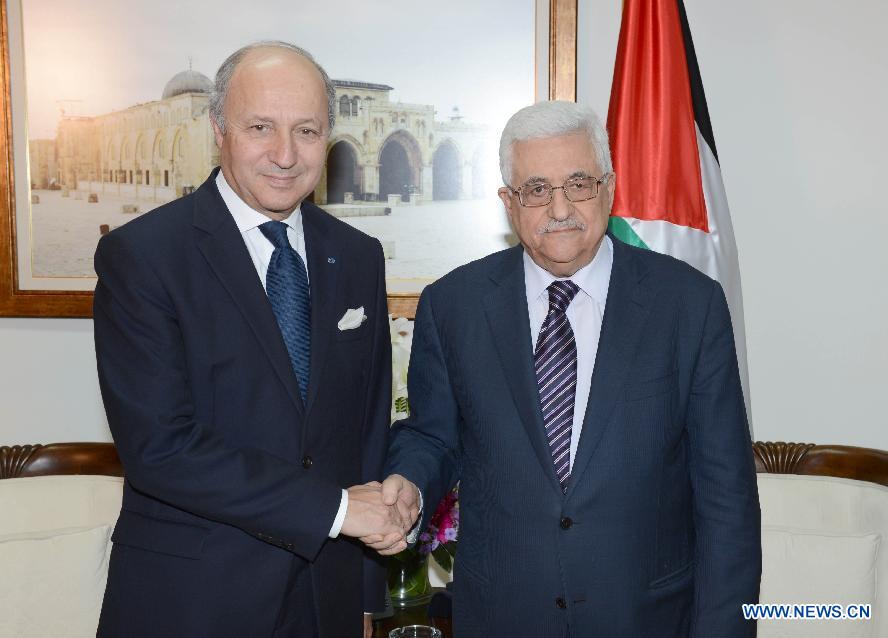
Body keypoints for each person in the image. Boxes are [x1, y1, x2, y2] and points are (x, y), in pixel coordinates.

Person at [379, 101, 761, 637]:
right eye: (536, 189)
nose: (559, 208)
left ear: (608, 188)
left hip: (646, 619)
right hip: (502, 618)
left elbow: (727, 501)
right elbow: (434, 436)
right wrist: (410, 482)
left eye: (578, 184)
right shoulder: (452, 305)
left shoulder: (689, 305)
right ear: (509, 203)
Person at [94, 41, 414, 638]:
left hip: (327, 599)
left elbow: (364, 430)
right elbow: (161, 448)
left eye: (307, 130)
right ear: (219, 129)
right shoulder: (142, 257)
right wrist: (340, 512)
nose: (285, 155)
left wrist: (366, 592)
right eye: (260, 127)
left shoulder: (358, 256)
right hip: (192, 602)